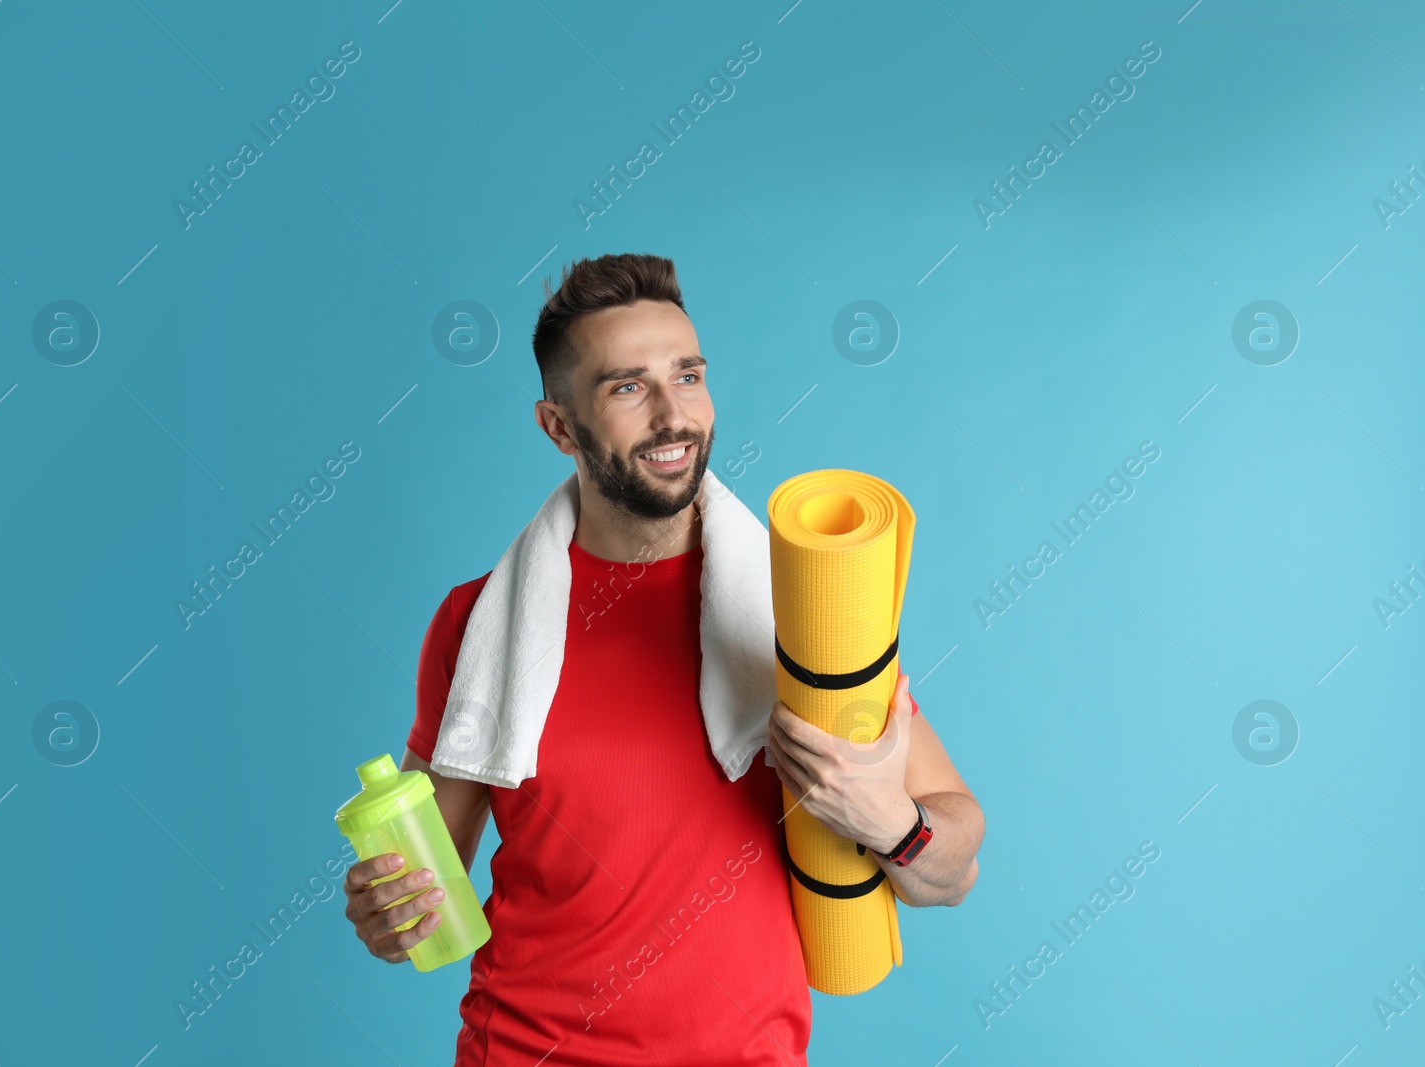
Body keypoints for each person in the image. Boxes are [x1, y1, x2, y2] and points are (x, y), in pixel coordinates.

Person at [341, 253, 985, 1065]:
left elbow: (954, 866)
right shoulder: (478, 624)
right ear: (559, 427)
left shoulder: (804, 610)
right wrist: (389, 915)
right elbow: (425, 899)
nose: (673, 414)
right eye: (626, 386)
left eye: (688, 375)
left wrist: (891, 823)